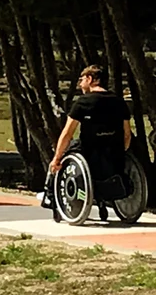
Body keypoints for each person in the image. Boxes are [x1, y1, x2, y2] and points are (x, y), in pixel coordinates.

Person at [46, 65, 133, 217]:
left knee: (61, 157)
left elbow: (67, 134)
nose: (80, 84)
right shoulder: (119, 102)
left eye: (82, 80)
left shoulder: (83, 102)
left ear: (90, 79)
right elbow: (127, 135)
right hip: (113, 156)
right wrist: (120, 151)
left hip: (88, 152)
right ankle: (101, 200)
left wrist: (57, 158)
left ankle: (51, 197)